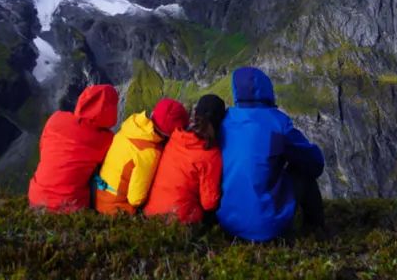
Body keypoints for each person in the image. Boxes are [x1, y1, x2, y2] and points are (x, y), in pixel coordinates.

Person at [217, 67, 325, 241]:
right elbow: (314, 163)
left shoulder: (225, 120)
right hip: (268, 228)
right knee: (303, 172)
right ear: (267, 89)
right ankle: (314, 230)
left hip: (228, 224)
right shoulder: (278, 122)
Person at [28, 84, 119, 213]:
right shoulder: (106, 139)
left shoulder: (56, 118)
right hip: (69, 208)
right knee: (100, 173)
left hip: (35, 198)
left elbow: (43, 148)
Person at [94, 97, 189, 215]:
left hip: (99, 196)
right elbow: (135, 199)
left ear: (153, 113)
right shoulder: (149, 152)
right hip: (115, 210)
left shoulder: (130, 127)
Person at [143, 94, 226, 224]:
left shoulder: (176, 135)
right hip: (178, 222)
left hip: (150, 213)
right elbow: (209, 203)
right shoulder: (210, 153)